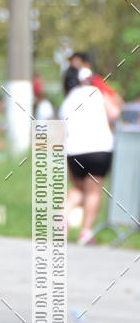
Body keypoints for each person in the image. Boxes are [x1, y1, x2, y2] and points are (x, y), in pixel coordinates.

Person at [59, 66, 113, 245]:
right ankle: (86, 232)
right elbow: (114, 112)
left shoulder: (66, 101)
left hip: (74, 151)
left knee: (79, 187)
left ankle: (62, 218)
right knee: (93, 191)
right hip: (99, 148)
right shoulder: (96, 92)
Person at [68, 52, 122, 125]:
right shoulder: (71, 84)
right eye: (72, 65)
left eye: (78, 64)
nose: (75, 67)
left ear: (87, 65)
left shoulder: (95, 80)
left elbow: (115, 99)